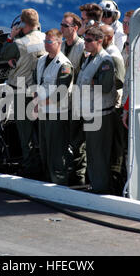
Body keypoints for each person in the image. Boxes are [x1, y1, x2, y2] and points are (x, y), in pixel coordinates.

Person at [1, 8, 46, 178]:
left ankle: (30, 167)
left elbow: (4, 54)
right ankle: (42, 163)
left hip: (22, 91)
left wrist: (11, 36)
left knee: (25, 132)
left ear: (23, 24)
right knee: (39, 130)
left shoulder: (19, 44)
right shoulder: (45, 38)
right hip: (39, 90)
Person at [74, 26, 117, 194]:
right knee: (91, 152)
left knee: (99, 153)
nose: (85, 42)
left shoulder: (105, 60)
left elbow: (106, 86)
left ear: (99, 41)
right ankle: (95, 184)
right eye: (85, 39)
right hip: (89, 112)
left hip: (101, 114)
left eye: (89, 40)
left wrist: (92, 81)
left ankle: (101, 188)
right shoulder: (89, 58)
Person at [36, 28, 74, 185]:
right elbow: (39, 82)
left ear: (59, 43)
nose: (46, 44)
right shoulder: (41, 60)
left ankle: (59, 182)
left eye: (49, 42)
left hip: (57, 114)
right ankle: (47, 182)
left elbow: (61, 92)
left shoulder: (64, 64)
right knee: (44, 149)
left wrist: (41, 102)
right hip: (44, 113)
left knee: (57, 151)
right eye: (45, 41)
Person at [60, 12, 87, 186]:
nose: (61, 28)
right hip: (64, 102)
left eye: (65, 26)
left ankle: (79, 177)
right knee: (66, 138)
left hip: (77, 100)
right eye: (61, 25)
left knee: (78, 142)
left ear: (75, 28)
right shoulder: (62, 46)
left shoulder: (82, 47)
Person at [101, 24, 127, 195]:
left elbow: (120, 81)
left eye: (100, 35)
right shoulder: (107, 54)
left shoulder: (113, 55)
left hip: (115, 107)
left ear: (109, 38)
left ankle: (116, 185)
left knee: (116, 150)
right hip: (114, 106)